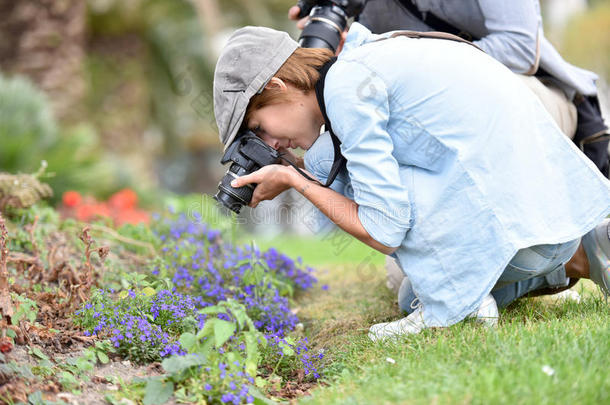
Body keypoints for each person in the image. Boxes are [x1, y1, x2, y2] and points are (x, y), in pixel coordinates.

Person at [213, 23, 610, 340]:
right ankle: (587, 250)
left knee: (352, 187)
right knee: (411, 297)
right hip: (548, 211)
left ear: (276, 88)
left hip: (519, 222)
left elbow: (385, 229)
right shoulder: (362, 60)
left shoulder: (346, 93)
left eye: (258, 129)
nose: (270, 145)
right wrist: (298, 171)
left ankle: (465, 308)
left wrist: (295, 179)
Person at [290, 0, 610, 298]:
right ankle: (575, 255)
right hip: (441, 128)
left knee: (444, 274)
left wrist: (422, 64)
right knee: (408, 282)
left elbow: (520, 47)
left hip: (526, 93)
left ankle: (540, 244)